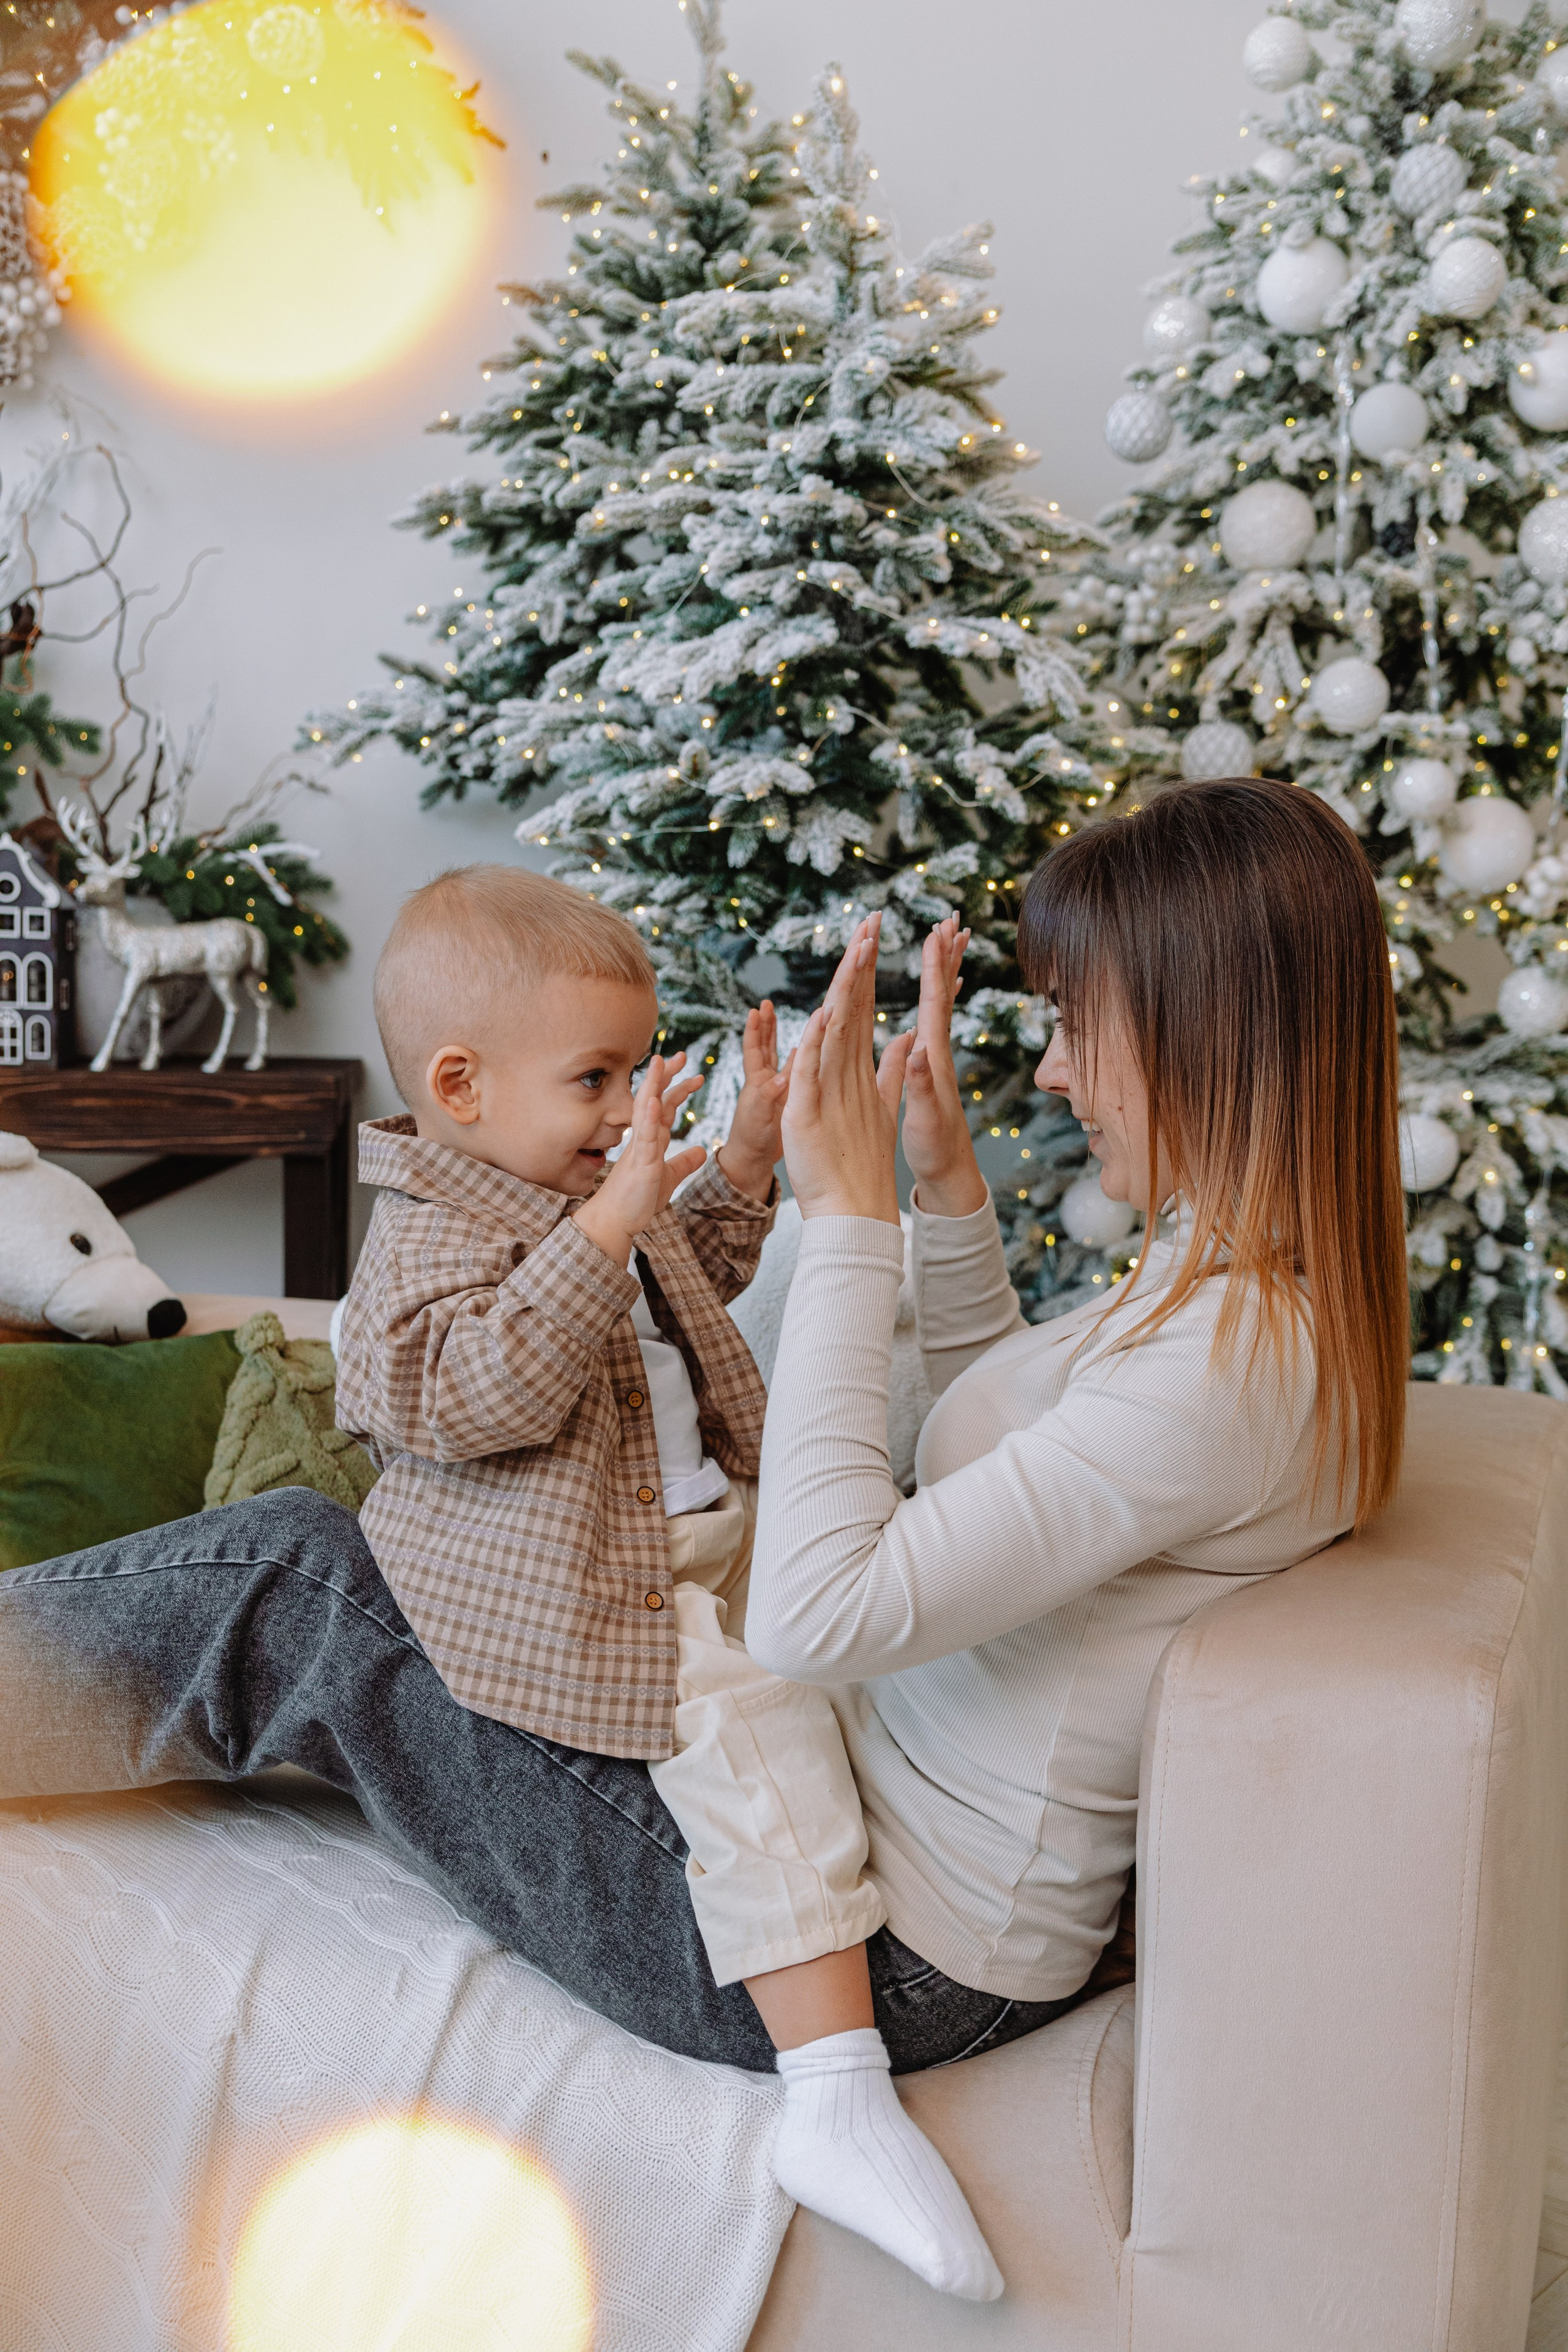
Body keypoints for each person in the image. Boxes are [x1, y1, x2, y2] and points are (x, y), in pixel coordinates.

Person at [0, 778, 1409, 2304]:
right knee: (329, 1568)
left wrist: (850, 1221)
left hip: (867, 1962)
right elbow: (1012, 1443)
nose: (1055, 1070)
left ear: (1199, 1027)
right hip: (886, 1864)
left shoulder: (1230, 1366)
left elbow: (815, 1616)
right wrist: (937, 1188)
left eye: (1080, 1024)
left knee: (293, 1577)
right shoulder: (1234, 1298)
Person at [333, 864, 1000, 2301]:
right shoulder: (427, 1237)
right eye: (595, 1078)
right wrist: (603, 1224)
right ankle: (831, 2088)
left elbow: (680, 1283)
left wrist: (744, 1162)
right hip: (577, 1578)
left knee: (867, 1606)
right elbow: (471, 1397)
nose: (631, 1107)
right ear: (460, 1086)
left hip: (700, 1522)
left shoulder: (578, 1189)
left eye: (639, 1069)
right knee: (744, 1718)